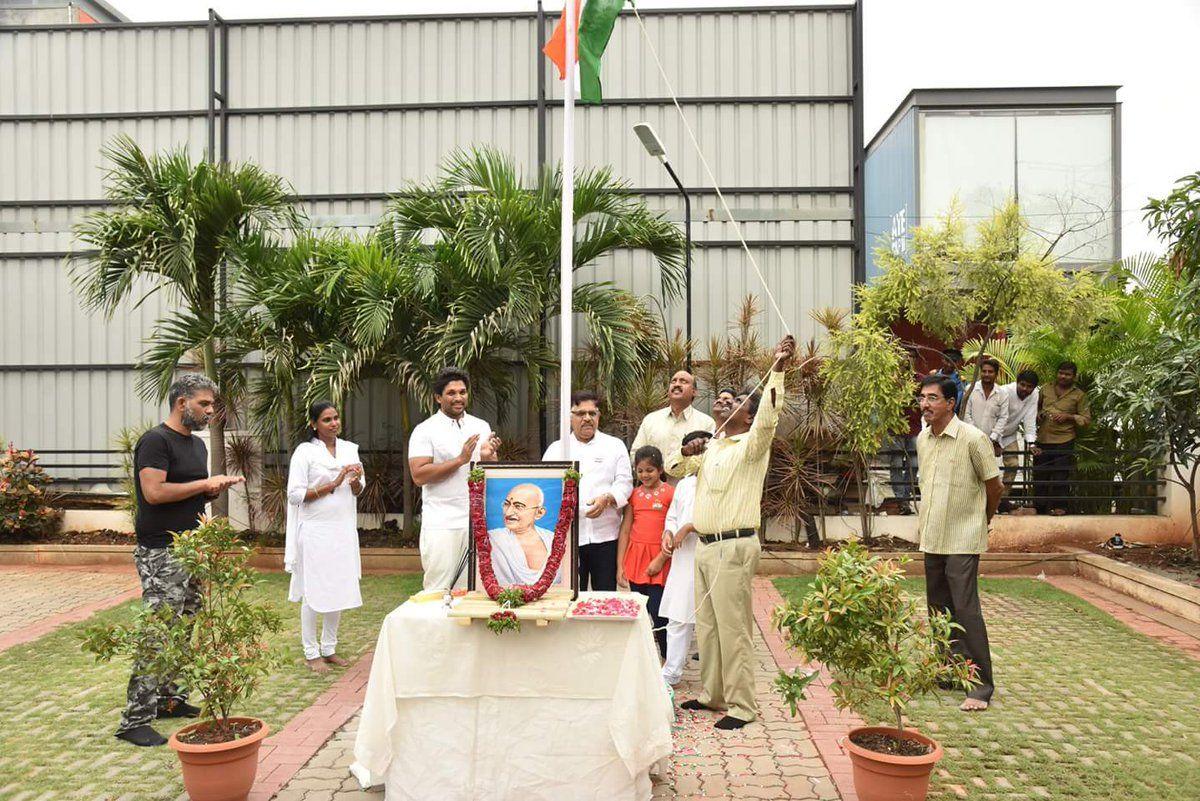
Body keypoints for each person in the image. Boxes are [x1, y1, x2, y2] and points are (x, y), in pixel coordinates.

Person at [668, 334, 795, 730]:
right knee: (707, 626)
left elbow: (769, 418)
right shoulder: (712, 447)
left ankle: (742, 706)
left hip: (734, 546)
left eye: (732, 400)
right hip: (705, 548)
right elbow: (672, 470)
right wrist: (685, 452)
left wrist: (776, 370)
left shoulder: (751, 446)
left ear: (747, 415)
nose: (722, 402)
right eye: (718, 400)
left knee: (733, 628)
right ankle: (714, 695)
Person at [116, 374, 245, 747]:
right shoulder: (155, 441)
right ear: (181, 402)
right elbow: (154, 493)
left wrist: (211, 490)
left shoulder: (197, 447)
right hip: (160, 551)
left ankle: (168, 699)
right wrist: (205, 485)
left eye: (210, 405)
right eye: (204, 404)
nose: (209, 411)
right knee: (157, 633)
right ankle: (133, 720)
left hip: (190, 550)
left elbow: (186, 496)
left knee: (184, 626)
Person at [915, 375, 1002, 712]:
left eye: (933, 398)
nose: (925, 404)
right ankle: (948, 671)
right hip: (933, 535)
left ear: (951, 403)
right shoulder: (923, 439)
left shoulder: (973, 439)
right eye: (922, 398)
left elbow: (994, 487)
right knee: (938, 608)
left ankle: (980, 687)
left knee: (965, 609)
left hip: (963, 537)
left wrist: (983, 520)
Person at [285, 402, 365, 673]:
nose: (333, 423)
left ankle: (329, 648)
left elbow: (356, 491)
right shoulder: (305, 452)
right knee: (314, 591)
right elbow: (295, 495)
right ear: (314, 424)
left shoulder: (350, 448)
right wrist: (334, 482)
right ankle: (311, 652)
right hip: (315, 530)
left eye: (336, 418)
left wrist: (354, 480)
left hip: (342, 528)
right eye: (327, 419)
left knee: (337, 588)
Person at [408, 367, 501, 591]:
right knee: (438, 589)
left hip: (476, 519)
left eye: (462, 392)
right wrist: (460, 459)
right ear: (438, 397)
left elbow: (491, 471)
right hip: (442, 522)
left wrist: (488, 458)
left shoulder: (481, 426)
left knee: (473, 589)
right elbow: (419, 475)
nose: (458, 397)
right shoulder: (425, 430)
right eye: (451, 393)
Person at [542, 391, 633, 591]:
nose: (587, 419)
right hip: (569, 538)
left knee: (605, 597)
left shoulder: (614, 446)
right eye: (580, 413)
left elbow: (625, 482)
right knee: (571, 597)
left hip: (607, 537)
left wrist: (608, 498)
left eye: (592, 413)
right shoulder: (557, 450)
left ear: (599, 416)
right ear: (570, 417)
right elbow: (546, 489)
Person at [658, 431, 707, 686]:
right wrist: (668, 531)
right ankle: (671, 672)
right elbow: (673, 514)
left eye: (699, 451)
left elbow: (716, 518)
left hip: (707, 552)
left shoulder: (716, 481)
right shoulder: (685, 483)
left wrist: (687, 528)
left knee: (708, 621)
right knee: (678, 615)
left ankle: (715, 679)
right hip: (682, 556)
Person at [618, 445, 675, 658]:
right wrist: (620, 566)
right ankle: (644, 659)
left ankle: (668, 659)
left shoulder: (670, 494)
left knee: (659, 612)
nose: (645, 475)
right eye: (640, 471)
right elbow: (625, 530)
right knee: (640, 611)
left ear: (660, 469)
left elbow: (675, 530)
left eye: (650, 470)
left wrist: (663, 557)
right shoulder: (634, 495)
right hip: (636, 559)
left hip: (660, 559)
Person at [1034, 361, 1091, 516]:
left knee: (1061, 476)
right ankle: (1039, 509)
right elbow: (1036, 408)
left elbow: (1086, 420)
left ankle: (1060, 508)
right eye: (1061, 373)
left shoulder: (1079, 395)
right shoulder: (1045, 389)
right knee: (1040, 476)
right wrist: (1039, 415)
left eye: (1067, 374)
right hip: (1043, 439)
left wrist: (1069, 416)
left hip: (1065, 440)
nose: (1063, 377)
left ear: (1074, 376)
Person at [630, 370, 715, 472]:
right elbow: (635, 455)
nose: (677, 384)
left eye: (683, 381)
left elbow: (709, 460)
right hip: (655, 484)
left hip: (689, 485)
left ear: (694, 391)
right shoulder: (651, 420)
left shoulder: (706, 423)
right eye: (673, 381)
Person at [486, 483, 565, 587]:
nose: (508, 512)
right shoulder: (491, 539)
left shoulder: (554, 540)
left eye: (518, 506)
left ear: (539, 513)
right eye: (506, 504)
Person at [997, 370, 1040, 512]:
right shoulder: (1003, 392)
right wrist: (994, 439)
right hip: (990, 433)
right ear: (1017, 381)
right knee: (986, 468)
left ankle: (1002, 499)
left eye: (1029, 386)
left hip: (1009, 434)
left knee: (1013, 464)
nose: (1025, 389)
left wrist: (1031, 442)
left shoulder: (1034, 394)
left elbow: (1030, 419)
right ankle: (984, 499)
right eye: (1022, 385)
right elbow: (993, 416)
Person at [888, 347, 924, 514]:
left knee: (914, 464)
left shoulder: (920, 380)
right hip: (895, 429)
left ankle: (907, 496)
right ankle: (901, 500)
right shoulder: (892, 380)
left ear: (915, 360)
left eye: (910, 357)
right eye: (903, 357)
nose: (906, 360)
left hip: (914, 429)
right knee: (895, 464)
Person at [964, 358, 1010, 452]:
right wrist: (976, 435)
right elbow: (966, 414)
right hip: (970, 438)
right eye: (984, 371)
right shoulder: (970, 389)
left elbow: (1003, 417)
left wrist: (993, 438)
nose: (987, 374)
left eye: (990, 372)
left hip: (991, 442)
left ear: (996, 374)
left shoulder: (1002, 394)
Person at [935, 347, 966, 412]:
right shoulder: (934, 375)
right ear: (942, 359)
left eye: (954, 361)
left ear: (958, 362)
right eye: (947, 360)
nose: (949, 364)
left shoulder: (959, 380)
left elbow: (957, 401)